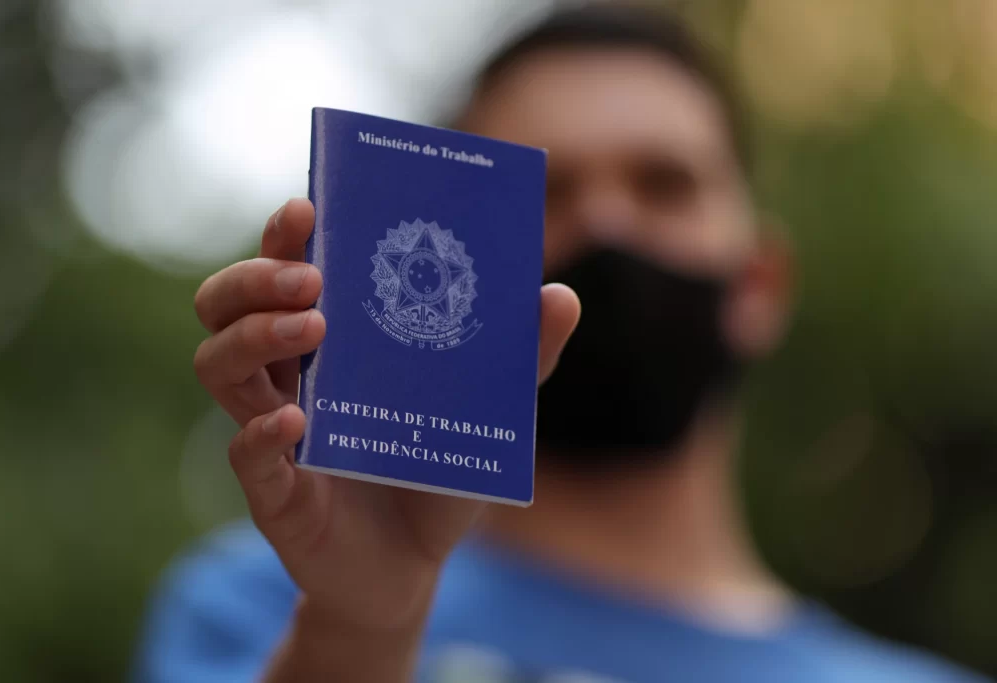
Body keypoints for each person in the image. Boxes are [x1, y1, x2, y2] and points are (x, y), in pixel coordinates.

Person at [134, 4, 989, 682]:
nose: (607, 221)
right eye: (545, 189)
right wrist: (365, 629)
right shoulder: (270, 606)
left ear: (759, 285)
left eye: (665, 183)